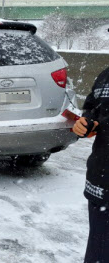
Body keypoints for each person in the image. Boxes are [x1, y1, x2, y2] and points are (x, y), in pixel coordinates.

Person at [73, 67, 109, 263]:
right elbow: (92, 109)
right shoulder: (105, 76)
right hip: (101, 181)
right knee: (98, 252)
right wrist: (87, 123)